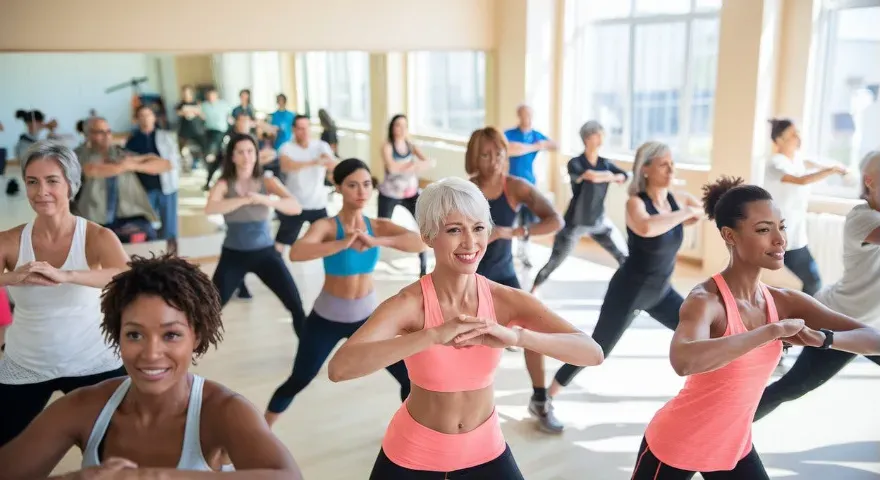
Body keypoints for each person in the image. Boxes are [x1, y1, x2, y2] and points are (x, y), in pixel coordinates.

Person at [327, 177, 604, 479]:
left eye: (478, 228)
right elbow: (340, 368)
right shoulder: (409, 303)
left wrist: (517, 336)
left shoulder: (505, 300)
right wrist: (432, 335)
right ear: (429, 235)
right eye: (454, 230)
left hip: (485, 450)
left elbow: (592, 353)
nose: (470, 243)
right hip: (413, 453)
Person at [631, 176, 880, 479]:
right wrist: (768, 333)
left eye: (781, 227)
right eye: (764, 229)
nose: (779, 239)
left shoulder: (785, 302)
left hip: (733, 446)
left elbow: (873, 338)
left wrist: (823, 339)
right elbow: (683, 360)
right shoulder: (706, 300)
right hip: (677, 443)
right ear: (730, 235)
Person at [0, 254, 304, 479]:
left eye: (171, 335)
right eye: (135, 334)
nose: (151, 353)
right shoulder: (86, 406)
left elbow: (288, 477)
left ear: (196, 338)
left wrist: (149, 476)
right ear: (117, 335)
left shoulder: (224, 410)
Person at [543, 141, 703, 427]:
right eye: (664, 164)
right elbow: (647, 227)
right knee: (597, 349)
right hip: (629, 291)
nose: (671, 169)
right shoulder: (637, 203)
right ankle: (545, 397)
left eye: (672, 163)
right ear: (645, 169)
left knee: (697, 332)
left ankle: (702, 399)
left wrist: (698, 210)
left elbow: (695, 215)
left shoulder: (677, 201)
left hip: (661, 292)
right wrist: (685, 213)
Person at [264, 159, 423, 427]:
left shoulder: (378, 226)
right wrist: (342, 243)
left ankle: (410, 432)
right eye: (352, 185)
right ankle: (261, 428)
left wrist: (377, 241)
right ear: (337, 188)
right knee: (299, 379)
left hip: (368, 320)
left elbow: (420, 242)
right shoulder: (326, 227)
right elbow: (297, 252)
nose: (361, 191)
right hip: (326, 318)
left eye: (366, 184)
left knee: (408, 378)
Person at [0, 141, 129, 447]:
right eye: (32, 182)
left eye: (51, 181)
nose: (40, 191)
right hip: (26, 362)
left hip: (93, 360)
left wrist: (68, 275)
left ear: (71, 185)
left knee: (115, 449)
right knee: (6, 451)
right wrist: (11, 278)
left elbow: (125, 275)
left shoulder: (97, 236)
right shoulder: (10, 241)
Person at [754, 151, 881, 421]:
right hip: (842, 321)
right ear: (870, 181)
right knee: (792, 387)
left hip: (873, 326)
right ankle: (727, 425)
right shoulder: (862, 218)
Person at [466, 126, 565, 433]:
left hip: (504, 275)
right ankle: (463, 411)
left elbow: (555, 220)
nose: (494, 160)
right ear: (474, 158)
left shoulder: (515, 187)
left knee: (534, 330)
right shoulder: (464, 191)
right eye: (485, 154)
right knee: (466, 348)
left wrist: (512, 232)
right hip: (470, 280)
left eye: (499, 153)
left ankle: (539, 399)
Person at [204, 133, 307, 335]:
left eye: (250, 151)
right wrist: (243, 200)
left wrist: (265, 200)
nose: (246, 156)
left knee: (295, 305)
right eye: (240, 152)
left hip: (265, 254)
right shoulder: (224, 183)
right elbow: (210, 208)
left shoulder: (267, 181)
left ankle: (307, 354)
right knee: (209, 310)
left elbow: (295, 207)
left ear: (257, 154)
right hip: (233, 255)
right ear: (232, 157)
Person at [531, 120, 629, 294]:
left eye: (601, 134)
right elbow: (590, 176)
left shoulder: (606, 163)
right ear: (587, 138)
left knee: (623, 257)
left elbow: (623, 175)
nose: (601, 138)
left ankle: (630, 289)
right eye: (597, 134)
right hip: (575, 222)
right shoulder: (575, 162)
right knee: (556, 260)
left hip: (598, 220)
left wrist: (610, 176)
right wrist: (609, 176)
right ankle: (533, 289)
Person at [764, 118, 847, 297]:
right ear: (779, 140)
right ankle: (804, 319)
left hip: (796, 235)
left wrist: (840, 169)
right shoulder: (775, 164)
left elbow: (814, 164)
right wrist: (831, 171)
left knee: (812, 282)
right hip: (781, 237)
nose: (798, 137)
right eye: (793, 134)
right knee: (813, 281)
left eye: (798, 133)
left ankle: (803, 319)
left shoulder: (797, 161)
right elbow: (801, 180)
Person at [377, 114, 434, 277]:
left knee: (424, 226)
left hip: (410, 193)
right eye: (397, 125)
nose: (400, 129)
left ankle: (423, 269)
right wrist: (412, 165)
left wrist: (412, 165)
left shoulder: (411, 145)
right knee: (379, 228)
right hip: (390, 193)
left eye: (404, 126)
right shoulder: (387, 146)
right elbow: (392, 168)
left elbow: (430, 162)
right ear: (392, 128)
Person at [504, 104, 557, 267]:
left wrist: (539, 145)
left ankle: (523, 253)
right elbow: (510, 149)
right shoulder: (510, 133)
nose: (526, 118)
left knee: (526, 222)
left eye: (529, 115)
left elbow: (555, 145)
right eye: (523, 115)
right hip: (510, 184)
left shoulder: (535, 135)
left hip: (529, 184)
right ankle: (506, 253)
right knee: (508, 219)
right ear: (518, 116)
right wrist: (535, 147)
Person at [125, 105, 182, 254]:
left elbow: (170, 163)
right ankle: (153, 258)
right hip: (144, 190)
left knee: (170, 228)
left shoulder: (166, 137)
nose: (145, 119)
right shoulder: (132, 141)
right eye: (141, 116)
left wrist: (141, 164)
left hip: (167, 188)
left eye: (148, 115)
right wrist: (151, 164)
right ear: (137, 119)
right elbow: (128, 164)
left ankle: (172, 258)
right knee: (146, 228)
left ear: (154, 117)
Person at [276, 114, 337, 251]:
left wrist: (327, 161)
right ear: (293, 130)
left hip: (317, 204)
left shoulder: (321, 146)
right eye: (300, 129)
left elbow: (333, 165)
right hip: (295, 203)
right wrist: (315, 162)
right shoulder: (286, 147)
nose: (304, 132)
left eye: (306, 128)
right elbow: (287, 165)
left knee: (329, 240)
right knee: (281, 243)